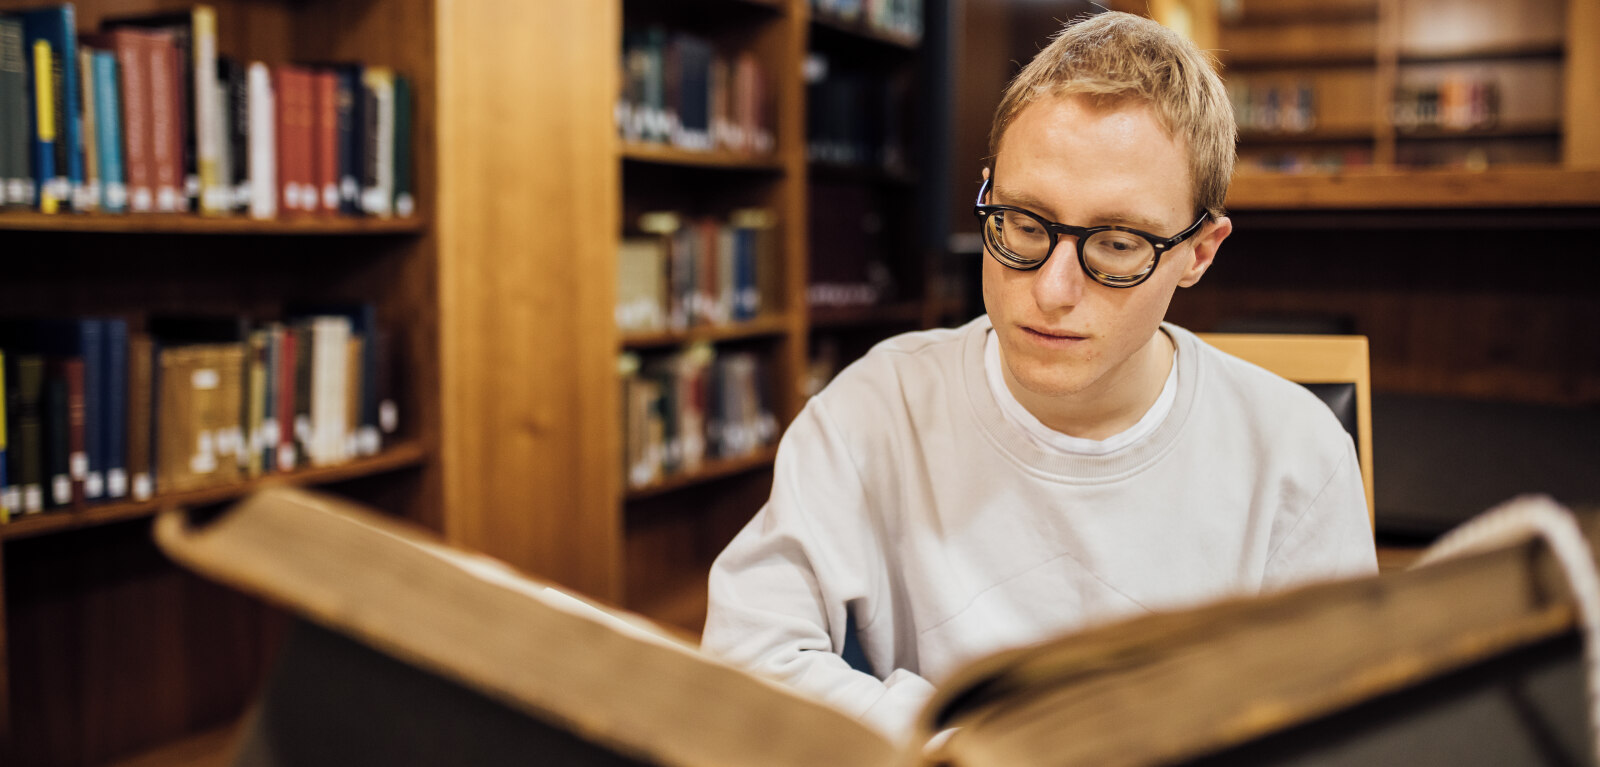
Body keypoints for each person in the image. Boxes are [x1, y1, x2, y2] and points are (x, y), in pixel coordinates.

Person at [702, 10, 1377, 740]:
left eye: (1117, 243)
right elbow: (748, 656)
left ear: (1199, 252)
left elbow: (1340, 731)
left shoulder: (1295, 458)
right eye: (1024, 224)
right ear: (989, 193)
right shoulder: (877, 408)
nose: (1052, 290)